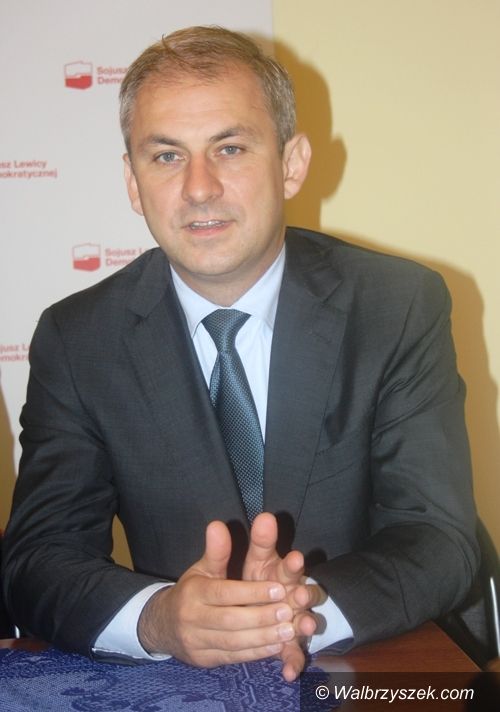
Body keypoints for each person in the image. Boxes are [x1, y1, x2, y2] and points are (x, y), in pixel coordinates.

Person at [1, 26, 478, 682]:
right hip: (178, 682)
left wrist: (301, 610)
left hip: (363, 668)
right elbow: (38, 558)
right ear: (133, 182)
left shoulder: (396, 306)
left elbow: (438, 537)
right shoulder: (79, 338)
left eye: (229, 148)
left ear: (291, 163)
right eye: (166, 156)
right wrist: (159, 618)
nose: (199, 187)